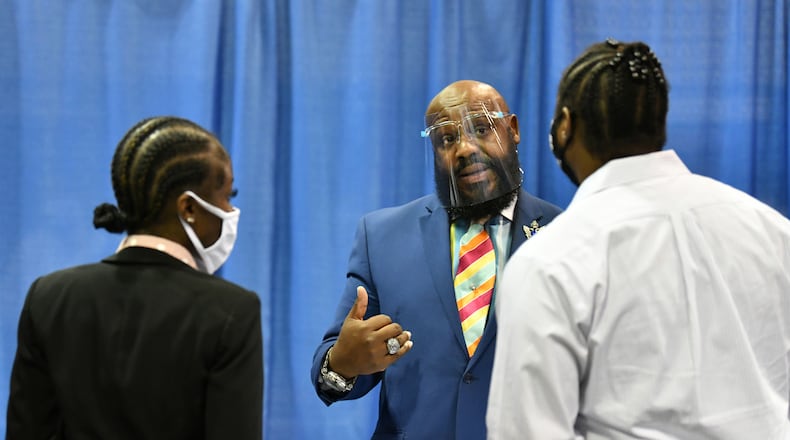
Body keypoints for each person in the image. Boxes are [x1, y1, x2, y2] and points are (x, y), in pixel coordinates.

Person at [486, 39, 790, 439]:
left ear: (564, 125)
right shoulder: (772, 231)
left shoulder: (551, 260)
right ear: (659, 122)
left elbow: (524, 431)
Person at [310, 80, 562, 439]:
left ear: (513, 130)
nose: (464, 148)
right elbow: (334, 365)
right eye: (447, 139)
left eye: (480, 128)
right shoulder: (381, 236)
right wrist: (342, 364)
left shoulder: (564, 234)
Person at [6, 116, 263, 439]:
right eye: (227, 195)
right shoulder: (232, 311)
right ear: (189, 208)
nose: (230, 210)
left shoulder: (48, 297)